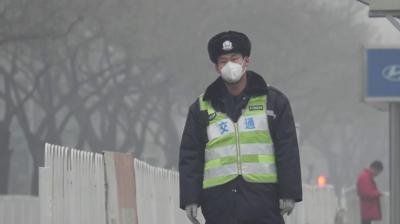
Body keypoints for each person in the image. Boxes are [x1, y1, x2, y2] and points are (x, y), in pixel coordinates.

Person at [179, 30, 302, 224]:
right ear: (216, 68)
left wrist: (289, 192)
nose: (230, 65)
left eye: (235, 58)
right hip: (219, 204)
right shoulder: (201, 107)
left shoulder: (274, 101)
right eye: (223, 61)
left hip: (264, 202)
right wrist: (190, 198)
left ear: (246, 61)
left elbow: (287, 148)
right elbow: (191, 155)